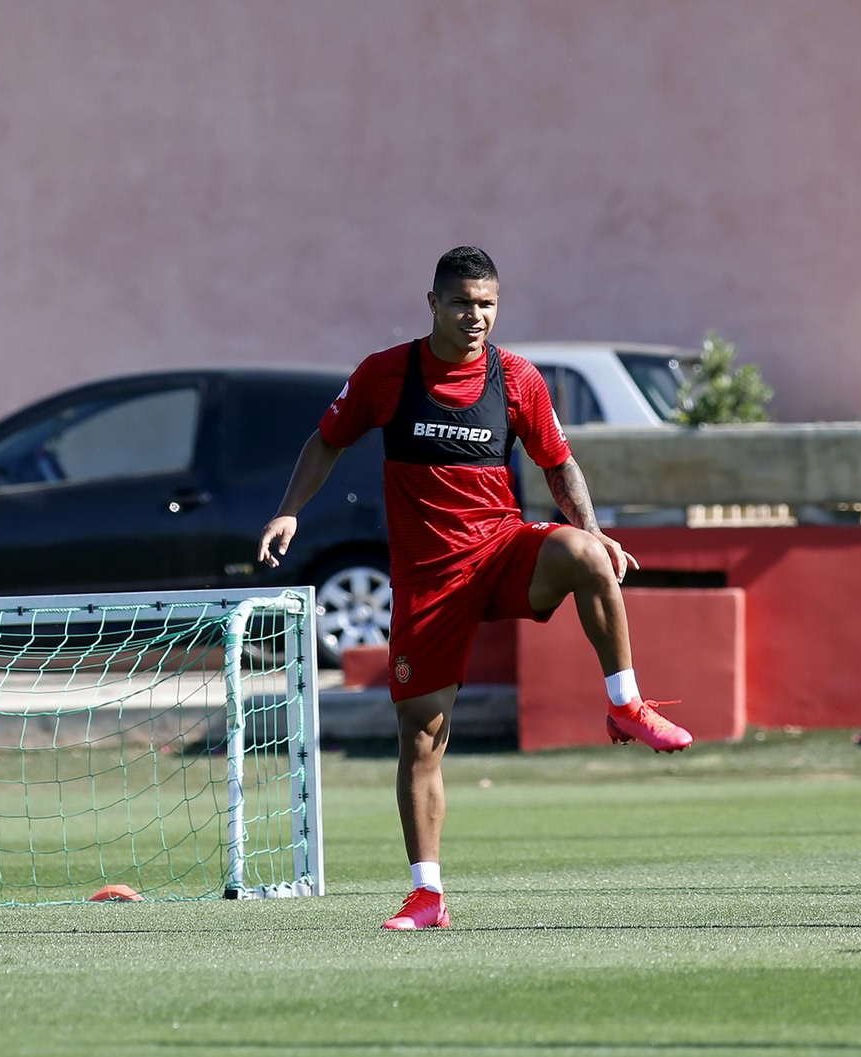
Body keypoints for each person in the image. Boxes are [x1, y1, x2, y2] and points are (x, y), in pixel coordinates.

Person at [257, 246, 692, 932]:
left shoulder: (516, 378)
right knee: (422, 736)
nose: (475, 316)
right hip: (429, 581)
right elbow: (327, 440)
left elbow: (559, 464)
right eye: (462, 302)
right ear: (433, 303)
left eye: (486, 304)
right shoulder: (386, 374)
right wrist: (289, 510)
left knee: (588, 556)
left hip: (499, 550)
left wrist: (595, 530)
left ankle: (625, 704)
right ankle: (427, 895)